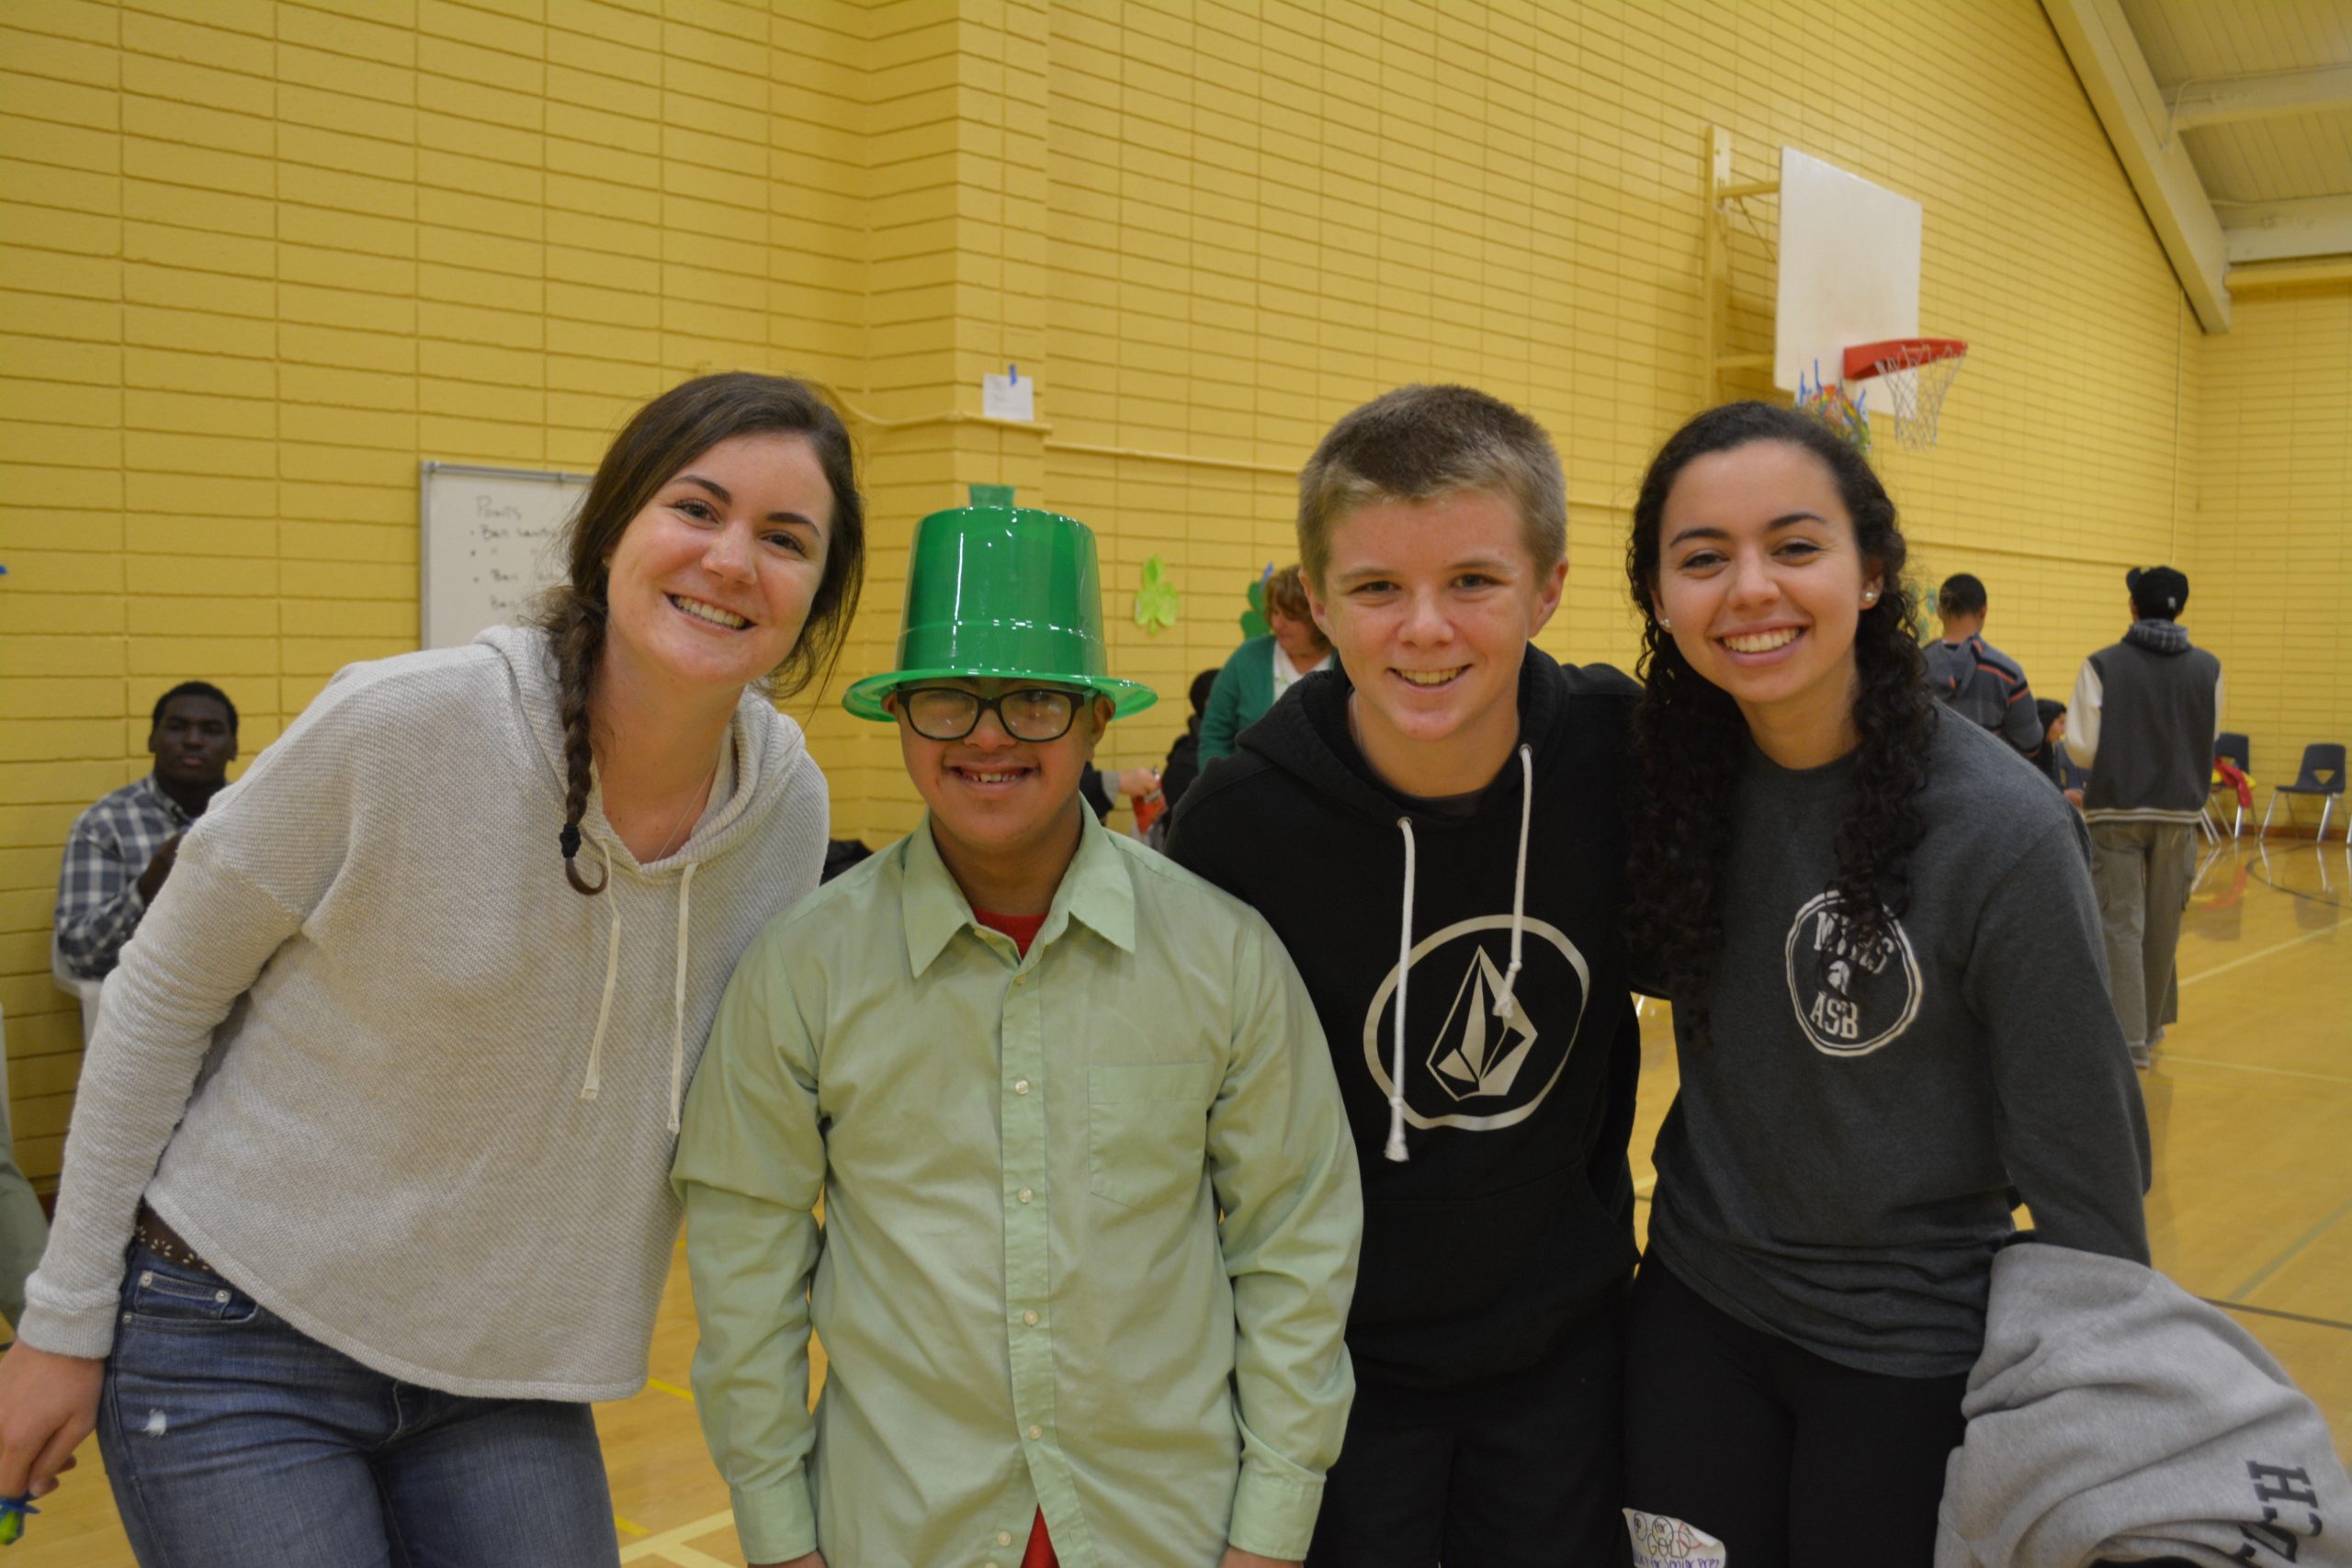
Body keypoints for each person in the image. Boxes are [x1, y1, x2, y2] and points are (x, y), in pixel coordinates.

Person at [0, 372, 866, 1567]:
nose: (732, 558)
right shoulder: (402, 722)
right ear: (613, 528)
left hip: (507, 1369)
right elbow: (160, 992)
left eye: (785, 538)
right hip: (237, 1328)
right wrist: (60, 1321)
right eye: (697, 508)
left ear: (818, 597)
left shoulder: (784, 814)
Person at [674, 501, 1359, 1568]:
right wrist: (777, 1530)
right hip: (896, 1529)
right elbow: (743, 1260)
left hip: (1167, 1527)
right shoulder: (803, 969)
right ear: (900, 717)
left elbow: (1294, 1245)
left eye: (1035, 700)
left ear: (1093, 722)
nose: (988, 735)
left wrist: (1271, 1527)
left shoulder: (1223, 957)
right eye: (948, 699)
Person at [1618, 400, 2150, 1568]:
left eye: (1795, 547)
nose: (1749, 588)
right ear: (1661, 601)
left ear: (1870, 574)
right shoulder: (1668, 784)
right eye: (1702, 559)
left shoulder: (1996, 830)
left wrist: (2108, 1419)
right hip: (1696, 1311)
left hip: (1908, 1351)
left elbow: (2087, 1167)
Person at [1168, 384, 1645, 1568]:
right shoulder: (1240, 826)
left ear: (1549, 587)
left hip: (1565, 1360)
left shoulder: (1617, 754)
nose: (1424, 628)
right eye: (1377, 588)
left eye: (1473, 582)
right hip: (1331, 1380)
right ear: (1316, 604)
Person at [2067, 565, 2225, 1069]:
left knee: (2120, 922)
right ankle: (2152, 1026)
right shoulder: (2210, 669)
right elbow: (2211, 735)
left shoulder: (2103, 665)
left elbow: (2082, 747)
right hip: (2181, 811)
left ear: (2133, 608)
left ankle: (2129, 1040)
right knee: (2163, 925)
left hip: (2116, 808)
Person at [53, 682, 239, 980]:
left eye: (211, 730)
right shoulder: (104, 824)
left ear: (234, 747)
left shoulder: (256, 819)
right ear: (152, 740)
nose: (193, 740)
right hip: (145, 1002)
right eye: (177, 727)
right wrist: (147, 885)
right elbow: (80, 955)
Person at [1200, 564, 1335, 763]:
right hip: (1248, 790)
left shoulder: (1347, 662)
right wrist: (1221, 789)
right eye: (1275, 612)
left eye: (1290, 616)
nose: (1277, 623)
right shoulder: (1249, 656)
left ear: (1318, 616)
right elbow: (1214, 734)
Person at [1923, 572, 2040, 758]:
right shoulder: (2007, 672)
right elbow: (2030, 743)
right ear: (1984, 610)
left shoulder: (1911, 670)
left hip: (1926, 784)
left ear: (1939, 611)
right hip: (1992, 783)